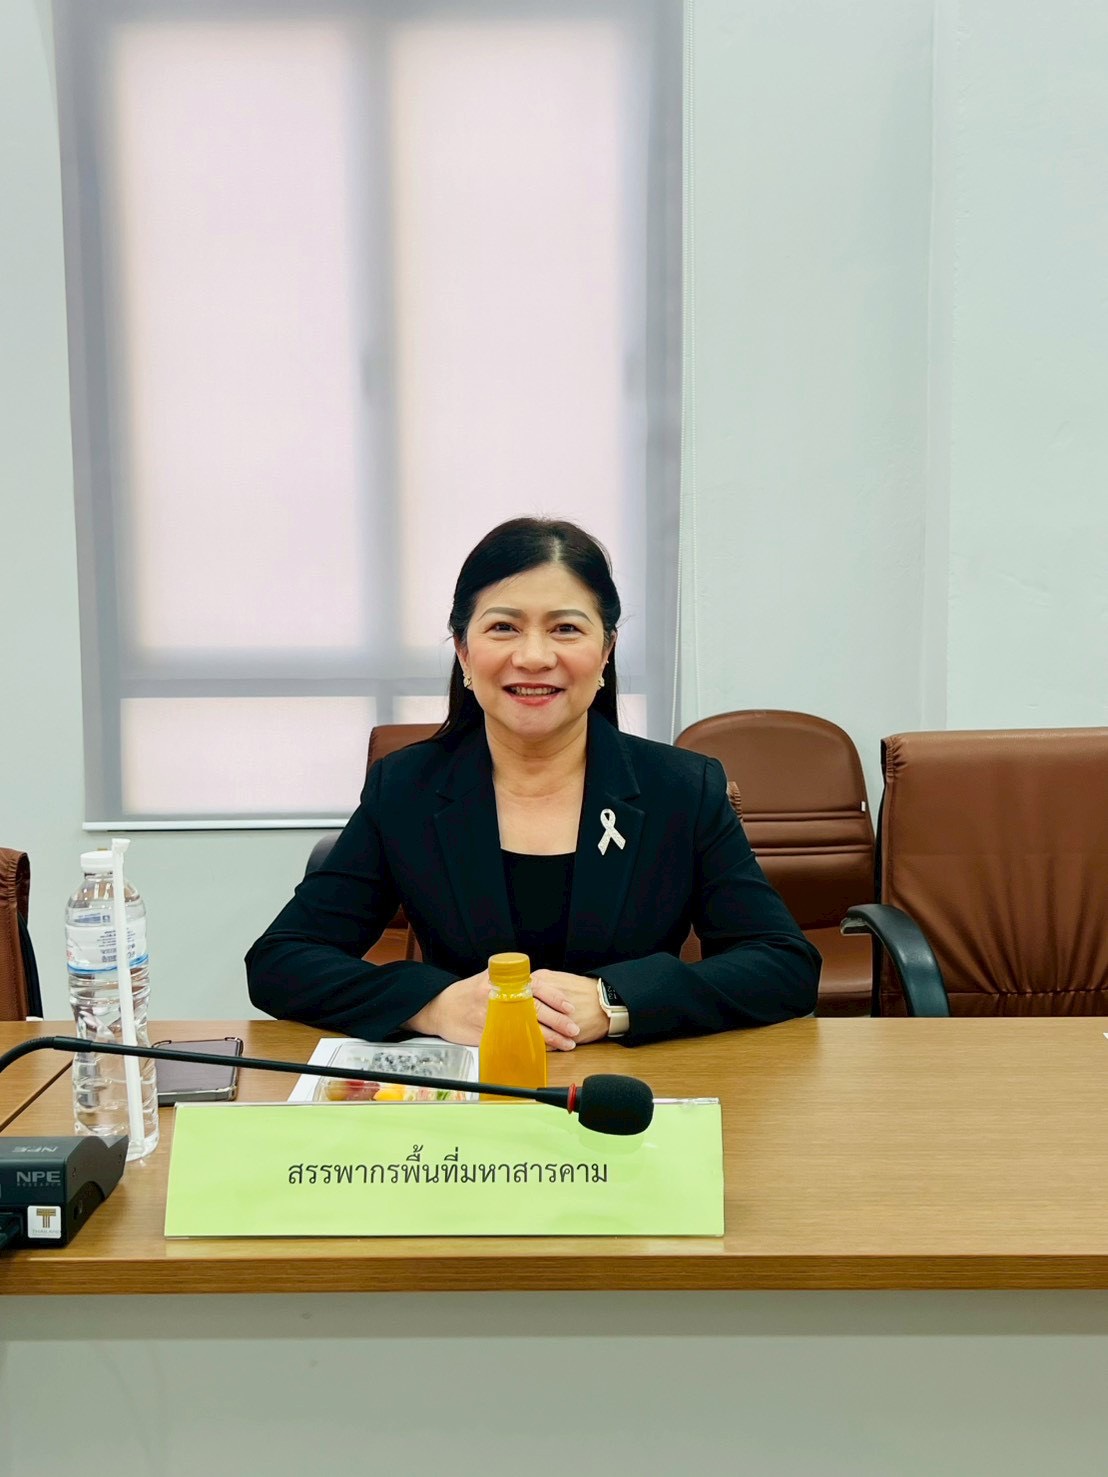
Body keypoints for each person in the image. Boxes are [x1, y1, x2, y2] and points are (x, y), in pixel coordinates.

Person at [246, 518, 820, 1047]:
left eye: (566, 628)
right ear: (464, 652)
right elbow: (281, 961)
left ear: (606, 651)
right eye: (504, 627)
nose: (535, 656)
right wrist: (434, 1005)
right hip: (471, 1086)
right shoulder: (406, 787)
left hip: (627, 1090)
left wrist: (615, 1000)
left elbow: (783, 964)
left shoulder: (682, 788)